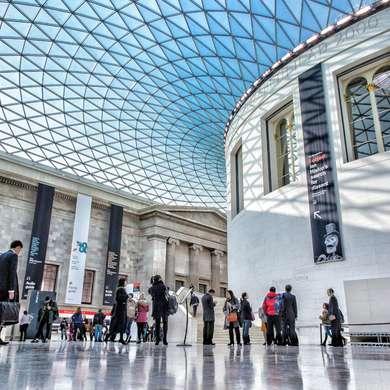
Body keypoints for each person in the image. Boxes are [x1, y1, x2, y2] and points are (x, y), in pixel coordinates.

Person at [0, 240, 23, 346]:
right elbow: (12, 273)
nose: (20, 252)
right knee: (3, 313)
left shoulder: (2, 255)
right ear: (18, 247)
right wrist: (11, 290)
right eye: (20, 250)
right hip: (5, 290)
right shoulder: (13, 256)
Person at [105, 277, 128, 344]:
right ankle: (119, 338)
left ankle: (119, 338)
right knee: (120, 324)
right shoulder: (120, 289)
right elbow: (119, 298)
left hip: (122, 309)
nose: (126, 283)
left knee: (120, 325)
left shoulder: (122, 289)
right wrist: (127, 296)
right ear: (123, 282)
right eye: (125, 281)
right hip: (120, 310)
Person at [148, 275, 169, 345]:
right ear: (160, 279)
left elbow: (149, 292)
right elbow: (167, 295)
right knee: (165, 323)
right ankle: (165, 339)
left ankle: (157, 340)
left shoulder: (151, 288)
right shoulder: (163, 286)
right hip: (164, 306)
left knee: (157, 324)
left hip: (156, 307)